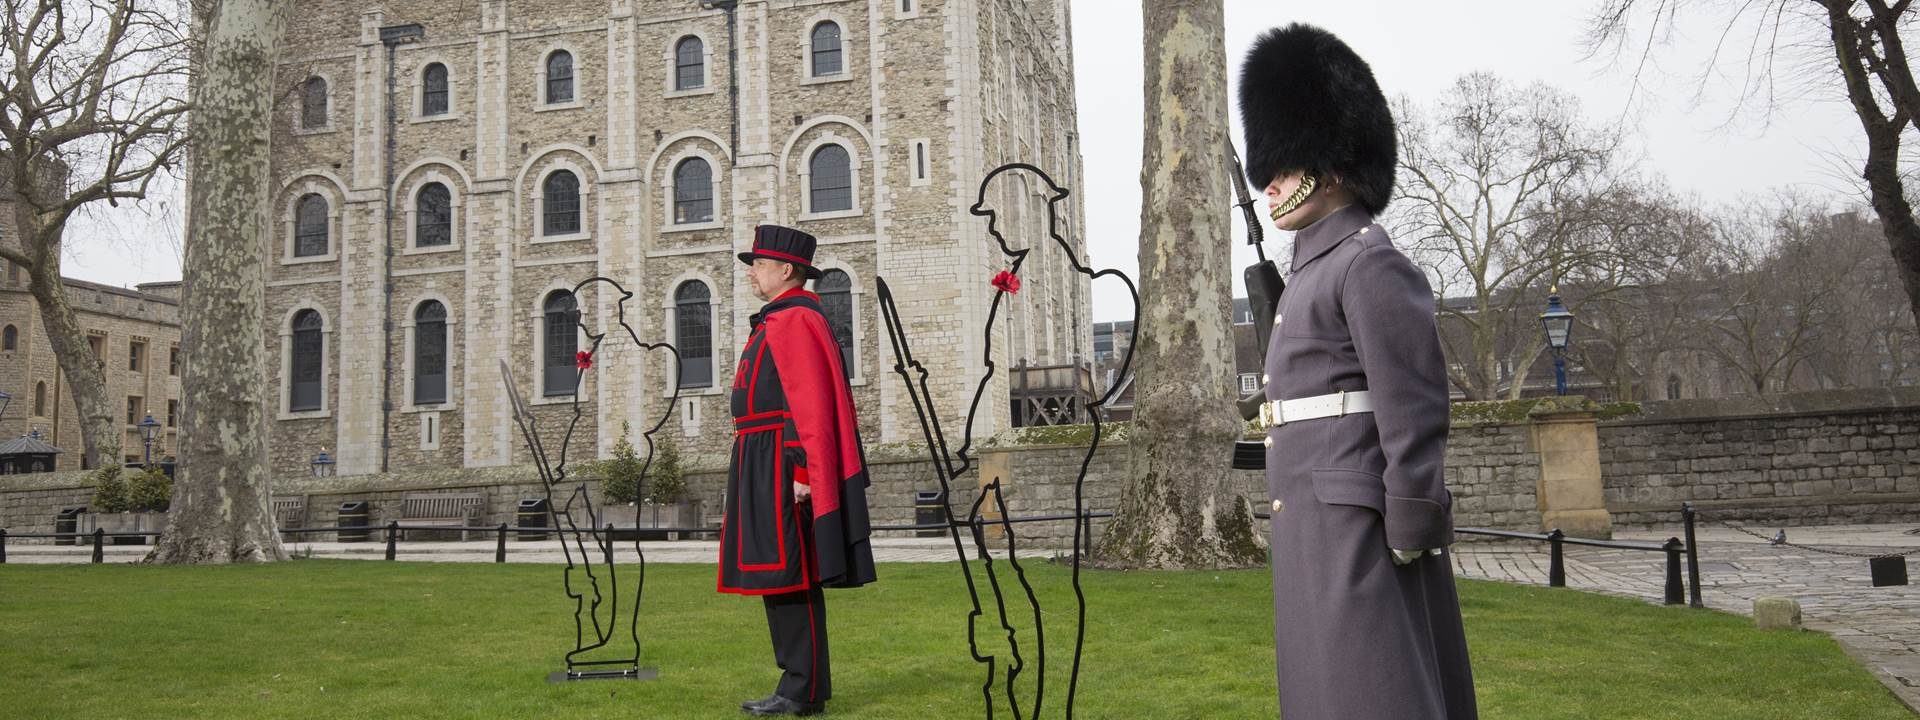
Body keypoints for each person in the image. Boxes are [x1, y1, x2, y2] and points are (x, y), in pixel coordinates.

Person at [1238, 23, 1478, 719]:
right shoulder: (1311, 272)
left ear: (1329, 160)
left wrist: (1411, 523)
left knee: (1373, 692)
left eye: (1281, 167)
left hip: (1360, 532)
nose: (1269, 184)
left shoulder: (1368, 262)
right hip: (1314, 524)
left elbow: (1415, 404)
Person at [718, 224, 877, 717]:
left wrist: (805, 472)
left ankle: (803, 690)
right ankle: (793, 682)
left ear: (786, 271)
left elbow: (805, 407)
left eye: (759, 265)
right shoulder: (776, 319)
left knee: (794, 573)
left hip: (782, 465)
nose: (752, 273)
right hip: (757, 457)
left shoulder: (798, 320)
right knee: (775, 573)